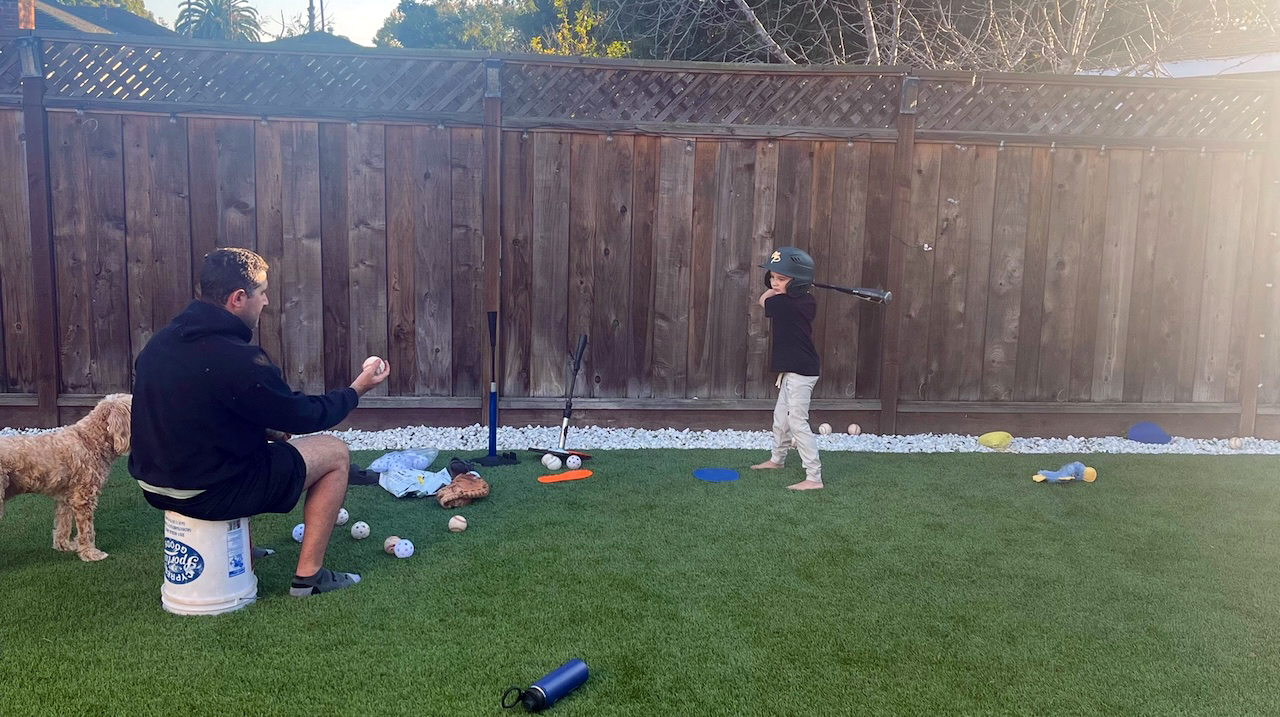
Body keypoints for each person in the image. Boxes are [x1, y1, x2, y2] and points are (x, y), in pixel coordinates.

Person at [130, 247, 389, 596]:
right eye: (262, 292)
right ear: (238, 298)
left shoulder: (159, 343)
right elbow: (305, 415)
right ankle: (309, 577)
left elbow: (192, 412)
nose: (266, 301)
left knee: (260, 441)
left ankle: (234, 549)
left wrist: (266, 429)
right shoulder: (239, 358)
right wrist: (357, 389)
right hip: (209, 492)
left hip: (155, 486)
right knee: (335, 453)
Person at [750, 247, 823, 491]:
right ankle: (777, 460)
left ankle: (814, 477)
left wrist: (775, 290)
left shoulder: (784, 304)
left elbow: (762, 300)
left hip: (801, 372)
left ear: (799, 282)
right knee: (781, 420)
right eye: (772, 277)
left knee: (797, 423)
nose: (774, 282)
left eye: (781, 279)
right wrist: (785, 286)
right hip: (792, 370)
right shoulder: (805, 300)